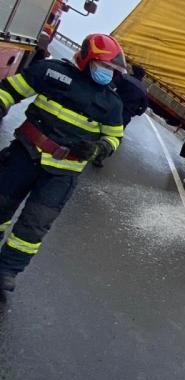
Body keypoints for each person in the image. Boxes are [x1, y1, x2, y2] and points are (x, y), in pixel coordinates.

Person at [0, 33, 126, 294]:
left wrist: (98, 149)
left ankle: (7, 270)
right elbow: (11, 90)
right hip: (24, 154)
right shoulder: (51, 72)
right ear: (87, 59)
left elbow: (114, 138)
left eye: (113, 70)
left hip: (62, 174)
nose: (108, 74)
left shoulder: (112, 104)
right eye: (105, 67)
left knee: (34, 225)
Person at [90, 64, 148, 168]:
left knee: (98, 127)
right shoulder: (143, 90)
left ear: (134, 71)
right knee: (114, 137)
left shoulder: (125, 78)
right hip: (125, 115)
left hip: (112, 108)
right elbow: (143, 108)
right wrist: (134, 113)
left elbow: (110, 86)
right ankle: (99, 157)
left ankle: (87, 147)